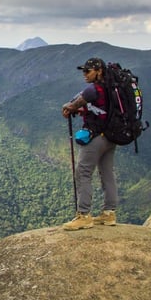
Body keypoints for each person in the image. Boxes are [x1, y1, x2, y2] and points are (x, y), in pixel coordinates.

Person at [60, 57, 118, 230]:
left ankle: (83, 215)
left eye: (88, 71)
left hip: (96, 138)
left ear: (98, 71)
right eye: (83, 71)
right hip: (111, 137)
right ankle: (109, 213)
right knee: (107, 172)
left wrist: (70, 108)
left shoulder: (94, 89)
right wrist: (81, 110)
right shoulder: (111, 88)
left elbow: (70, 105)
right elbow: (101, 108)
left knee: (83, 172)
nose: (84, 74)